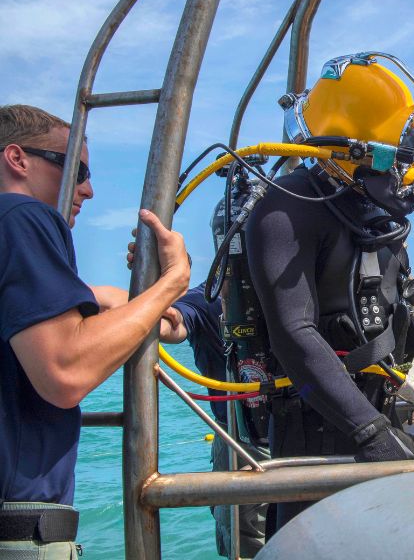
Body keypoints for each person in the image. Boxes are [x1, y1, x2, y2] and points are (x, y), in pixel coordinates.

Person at [244, 52, 414, 531]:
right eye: (401, 155)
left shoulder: (369, 215)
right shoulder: (289, 205)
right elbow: (292, 330)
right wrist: (367, 431)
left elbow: (398, 324)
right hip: (317, 432)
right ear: (359, 148)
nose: (408, 172)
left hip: (378, 412)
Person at [0, 104, 190, 556]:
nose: (87, 188)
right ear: (17, 159)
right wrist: (172, 281)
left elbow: (94, 308)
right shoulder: (22, 217)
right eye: (74, 168)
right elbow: (65, 369)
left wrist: (165, 311)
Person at [158, 283, 266, 558]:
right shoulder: (204, 298)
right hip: (237, 439)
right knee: (246, 542)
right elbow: (171, 326)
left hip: (301, 431)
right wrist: (163, 281)